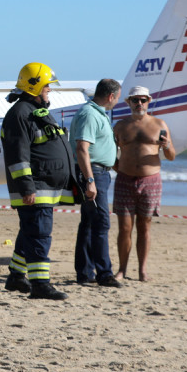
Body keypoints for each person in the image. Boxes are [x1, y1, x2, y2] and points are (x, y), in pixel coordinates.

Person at [0, 62, 78, 300]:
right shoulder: (19, 114)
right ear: (33, 86)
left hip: (45, 186)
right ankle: (40, 284)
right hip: (35, 188)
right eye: (46, 86)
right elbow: (17, 156)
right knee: (39, 234)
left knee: (29, 232)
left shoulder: (35, 111)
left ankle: (16, 276)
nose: (49, 91)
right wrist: (26, 187)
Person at [112, 86, 175, 281]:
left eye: (143, 100)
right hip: (124, 179)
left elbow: (171, 156)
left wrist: (167, 146)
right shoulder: (120, 126)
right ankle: (122, 269)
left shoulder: (159, 124)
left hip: (151, 180)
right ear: (128, 102)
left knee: (144, 226)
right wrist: (120, 168)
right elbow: (110, 152)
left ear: (148, 101)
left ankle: (142, 270)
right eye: (135, 100)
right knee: (124, 227)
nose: (139, 103)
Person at [70, 79, 123, 288]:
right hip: (94, 173)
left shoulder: (96, 113)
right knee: (101, 222)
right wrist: (90, 180)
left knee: (90, 223)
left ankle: (85, 272)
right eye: (117, 98)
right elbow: (82, 148)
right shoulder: (90, 114)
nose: (116, 102)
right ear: (110, 96)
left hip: (99, 172)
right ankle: (104, 273)